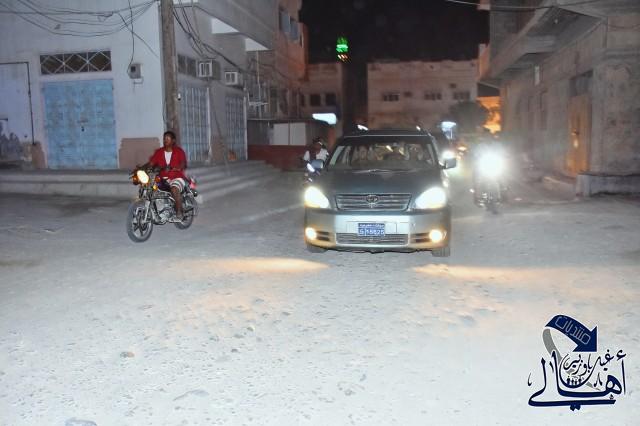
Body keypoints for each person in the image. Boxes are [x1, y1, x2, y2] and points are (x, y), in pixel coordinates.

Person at [145, 130, 188, 221]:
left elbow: (183, 163)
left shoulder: (179, 151)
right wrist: (141, 168)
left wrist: (177, 167)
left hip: (176, 177)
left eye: (168, 138)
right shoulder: (159, 152)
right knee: (151, 187)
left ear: (173, 140)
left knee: (174, 189)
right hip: (163, 178)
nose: (165, 140)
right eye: (164, 139)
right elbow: (151, 163)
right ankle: (159, 210)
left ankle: (179, 212)